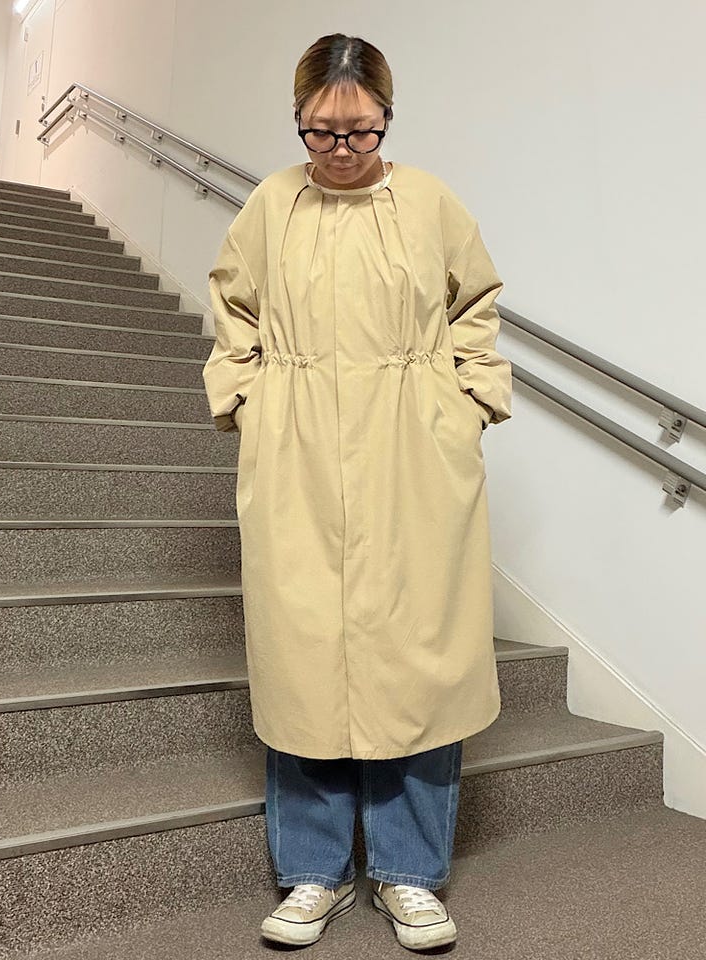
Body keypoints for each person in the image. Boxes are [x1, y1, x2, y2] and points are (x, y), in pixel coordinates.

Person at [202, 33, 512, 953]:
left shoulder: (429, 203)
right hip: (296, 451)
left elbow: (475, 306)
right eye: (320, 131)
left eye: (361, 131)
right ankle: (315, 871)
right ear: (298, 120)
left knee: (417, 664)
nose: (340, 149)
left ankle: (410, 874)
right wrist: (248, 401)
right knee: (303, 662)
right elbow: (233, 310)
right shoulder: (269, 205)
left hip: (413, 451)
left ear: (387, 117)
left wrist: (465, 405)